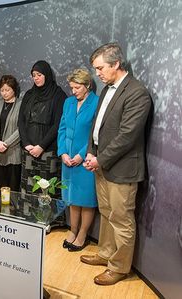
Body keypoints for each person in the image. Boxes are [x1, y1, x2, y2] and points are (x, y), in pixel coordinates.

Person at [81, 43, 152, 285]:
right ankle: (105, 254)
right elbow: (97, 127)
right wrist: (92, 154)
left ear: (116, 64)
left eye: (100, 68)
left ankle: (120, 267)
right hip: (101, 165)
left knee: (121, 219)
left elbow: (127, 135)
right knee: (107, 213)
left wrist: (100, 159)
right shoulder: (105, 90)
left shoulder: (137, 93)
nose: (97, 74)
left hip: (122, 169)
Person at [57, 68, 99, 252]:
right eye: (71, 87)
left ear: (87, 85)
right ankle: (72, 231)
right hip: (68, 160)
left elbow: (95, 134)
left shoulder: (97, 103)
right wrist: (63, 153)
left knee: (86, 199)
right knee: (73, 198)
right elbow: (62, 129)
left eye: (77, 87)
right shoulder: (68, 103)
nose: (73, 91)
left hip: (86, 160)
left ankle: (82, 235)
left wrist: (81, 155)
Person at [18, 60, 67, 196]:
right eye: (34, 75)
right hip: (28, 151)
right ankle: (27, 216)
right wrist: (27, 144)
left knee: (47, 191)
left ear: (46, 74)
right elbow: (21, 121)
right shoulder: (29, 95)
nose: (36, 78)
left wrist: (41, 146)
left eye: (39, 74)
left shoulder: (58, 95)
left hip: (48, 152)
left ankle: (49, 218)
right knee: (28, 190)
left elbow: (58, 124)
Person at [0, 75, 22, 191]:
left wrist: (6, 144)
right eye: (2, 90)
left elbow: (21, 129)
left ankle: (13, 209)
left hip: (13, 152)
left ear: (14, 89)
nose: (4, 93)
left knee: (12, 188)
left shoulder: (21, 105)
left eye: (7, 90)